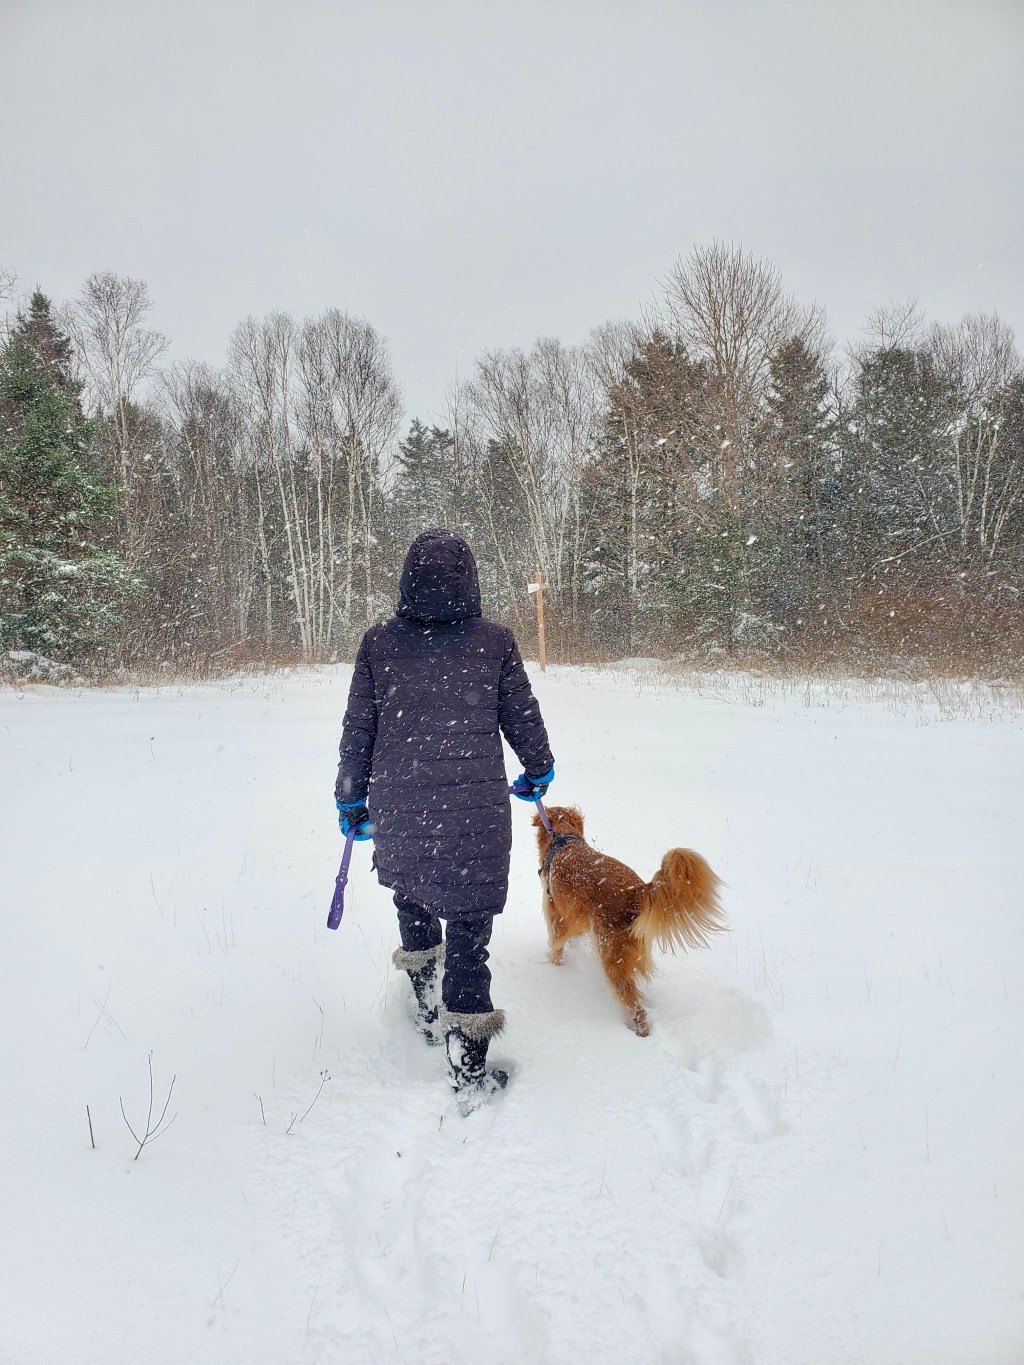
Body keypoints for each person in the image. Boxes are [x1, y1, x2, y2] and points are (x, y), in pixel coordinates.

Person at [335, 529, 554, 1106]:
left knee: (411, 896)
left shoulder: (380, 644)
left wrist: (352, 796)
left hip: (402, 806)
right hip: (475, 811)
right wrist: (539, 768)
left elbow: (360, 725)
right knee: (469, 934)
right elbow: (522, 714)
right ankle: (468, 1067)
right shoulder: (494, 642)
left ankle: (427, 1006)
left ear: (408, 578)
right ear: (469, 579)